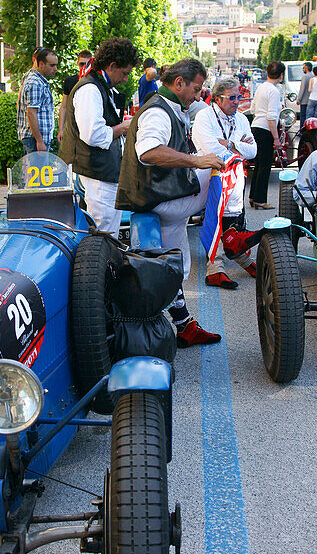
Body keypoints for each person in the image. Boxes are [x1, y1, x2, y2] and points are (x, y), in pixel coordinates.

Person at [116, 58, 224, 346]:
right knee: (221, 172)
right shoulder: (157, 111)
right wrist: (197, 160)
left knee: (176, 265)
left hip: (159, 194)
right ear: (179, 83)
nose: (199, 95)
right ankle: (233, 233)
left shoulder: (168, 106)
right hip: (156, 198)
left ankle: (184, 324)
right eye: (197, 89)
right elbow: (148, 152)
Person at [58, 37, 137, 232]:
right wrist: (124, 127)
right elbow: (93, 135)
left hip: (102, 170)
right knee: (104, 231)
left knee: (107, 229)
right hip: (97, 171)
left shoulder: (98, 85)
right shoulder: (90, 88)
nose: (126, 79)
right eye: (125, 73)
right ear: (111, 66)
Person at [191, 75, 257, 288]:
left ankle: (236, 256)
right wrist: (238, 146)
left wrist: (228, 144)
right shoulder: (205, 116)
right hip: (208, 173)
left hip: (233, 174)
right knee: (215, 215)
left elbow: (253, 150)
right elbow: (211, 150)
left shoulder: (242, 119)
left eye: (239, 96)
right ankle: (218, 266)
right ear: (218, 99)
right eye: (232, 98)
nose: (237, 101)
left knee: (231, 219)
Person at [248, 61, 283, 209]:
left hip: (256, 126)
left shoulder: (261, 87)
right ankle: (260, 200)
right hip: (266, 130)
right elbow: (271, 116)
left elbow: (252, 109)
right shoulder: (274, 91)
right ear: (281, 75)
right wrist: (276, 138)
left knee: (258, 165)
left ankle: (253, 196)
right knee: (265, 166)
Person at [17, 47, 59, 154]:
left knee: (39, 170)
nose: (55, 68)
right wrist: (39, 141)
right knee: (37, 170)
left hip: (37, 139)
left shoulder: (37, 80)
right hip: (34, 140)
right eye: (52, 65)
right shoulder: (35, 83)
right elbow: (31, 113)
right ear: (41, 64)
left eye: (56, 65)